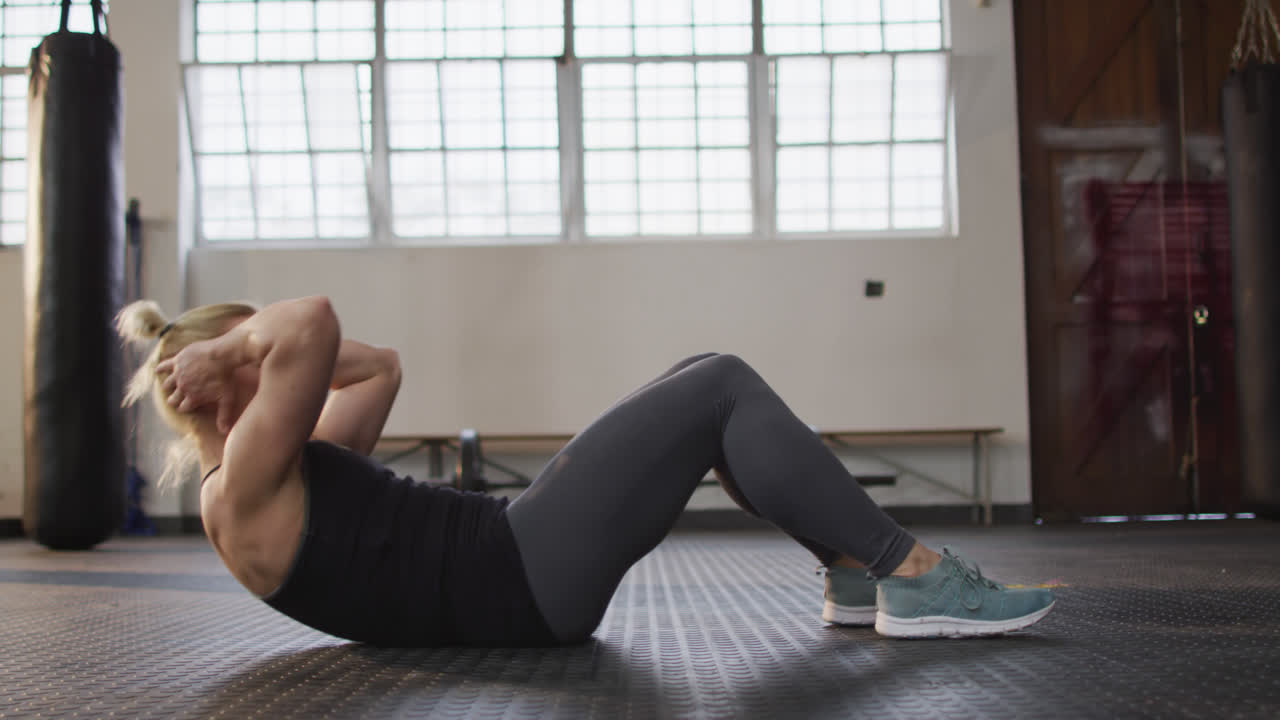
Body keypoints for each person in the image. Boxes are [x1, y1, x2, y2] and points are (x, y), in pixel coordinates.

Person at [116, 295, 1055, 648]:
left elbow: (378, 367)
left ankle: (855, 575)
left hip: (512, 558)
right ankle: (913, 573)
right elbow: (313, 322)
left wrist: (232, 353)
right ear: (216, 387)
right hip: (517, 579)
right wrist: (236, 345)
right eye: (251, 360)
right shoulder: (239, 486)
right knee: (724, 385)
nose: (270, 362)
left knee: (700, 374)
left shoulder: (275, 476)